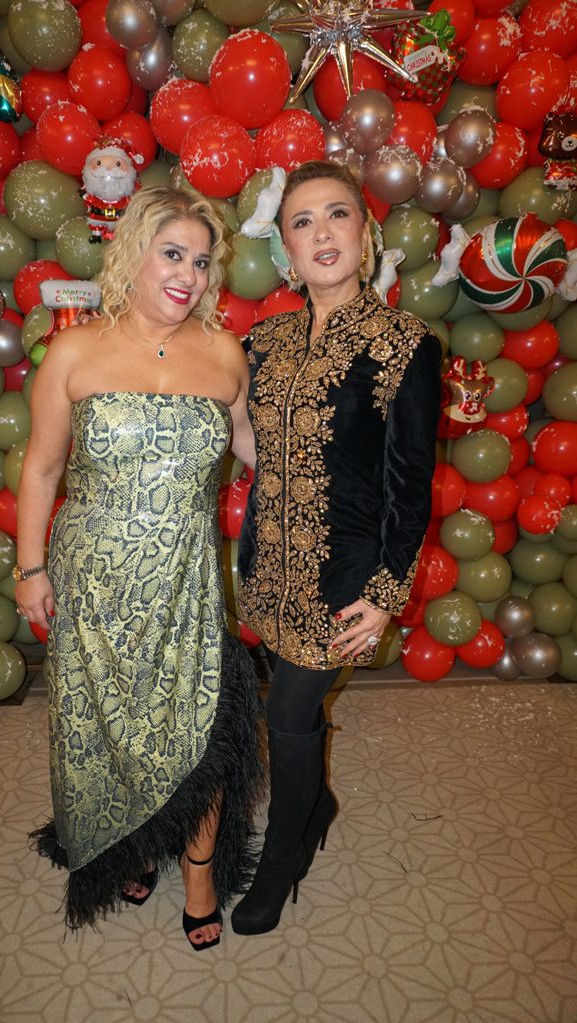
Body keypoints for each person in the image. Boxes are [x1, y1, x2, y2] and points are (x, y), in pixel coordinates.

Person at [16, 186, 262, 951]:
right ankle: (134, 842)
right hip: (94, 577)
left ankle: (198, 872)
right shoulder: (74, 351)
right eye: (172, 254)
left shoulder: (223, 352)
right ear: (134, 254)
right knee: (113, 721)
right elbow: (42, 468)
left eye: (201, 260)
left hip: (185, 579)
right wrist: (30, 568)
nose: (188, 274)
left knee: (201, 722)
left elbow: (254, 449)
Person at [231, 160, 441, 936]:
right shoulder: (264, 341)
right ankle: (316, 805)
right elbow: (261, 449)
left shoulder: (404, 344)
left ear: (366, 232)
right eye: (302, 221)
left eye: (338, 214)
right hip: (270, 565)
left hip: (345, 577)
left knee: (286, 709)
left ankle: (284, 856)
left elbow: (409, 484)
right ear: (286, 249)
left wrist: (386, 594)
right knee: (287, 703)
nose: (322, 232)